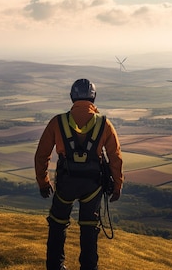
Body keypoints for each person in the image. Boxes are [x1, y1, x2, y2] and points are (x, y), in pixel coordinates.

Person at [34, 78, 124, 270]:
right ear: (94, 98)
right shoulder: (105, 124)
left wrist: (43, 182)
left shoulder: (57, 122)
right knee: (89, 229)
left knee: (57, 225)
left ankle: (55, 266)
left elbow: (42, 155)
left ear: (72, 97)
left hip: (66, 183)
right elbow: (115, 157)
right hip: (93, 185)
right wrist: (117, 185)